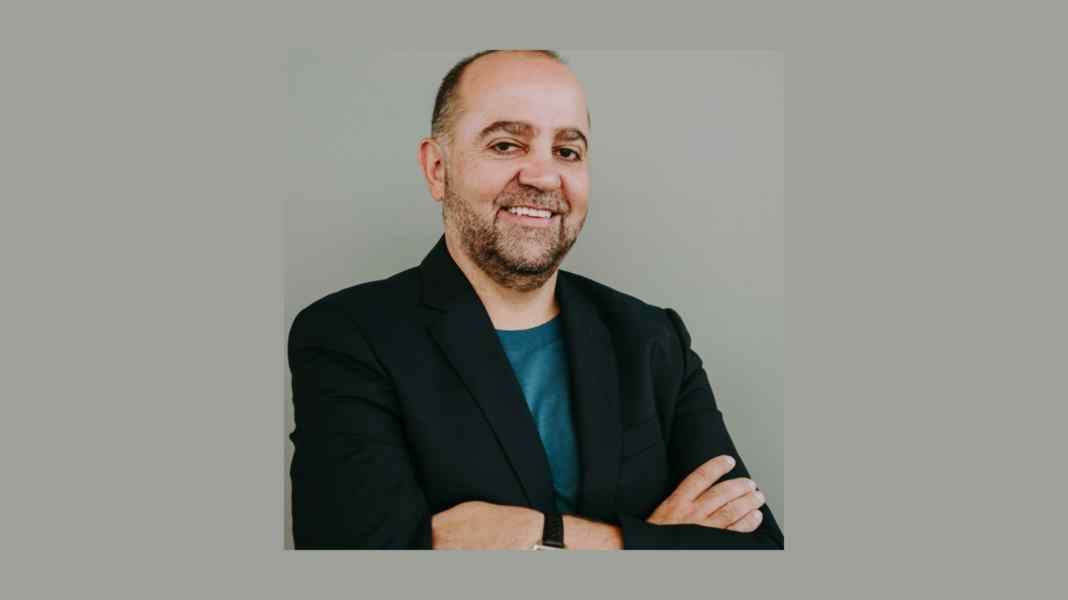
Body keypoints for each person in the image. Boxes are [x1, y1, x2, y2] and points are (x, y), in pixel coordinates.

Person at [288, 49, 784, 549]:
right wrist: (654, 543)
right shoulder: (348, 337)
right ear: (438, 168)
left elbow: (759, 550)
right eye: (506, 145)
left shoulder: (652, 339)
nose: (544, 176)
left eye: (567, 151)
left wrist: (539, 536)